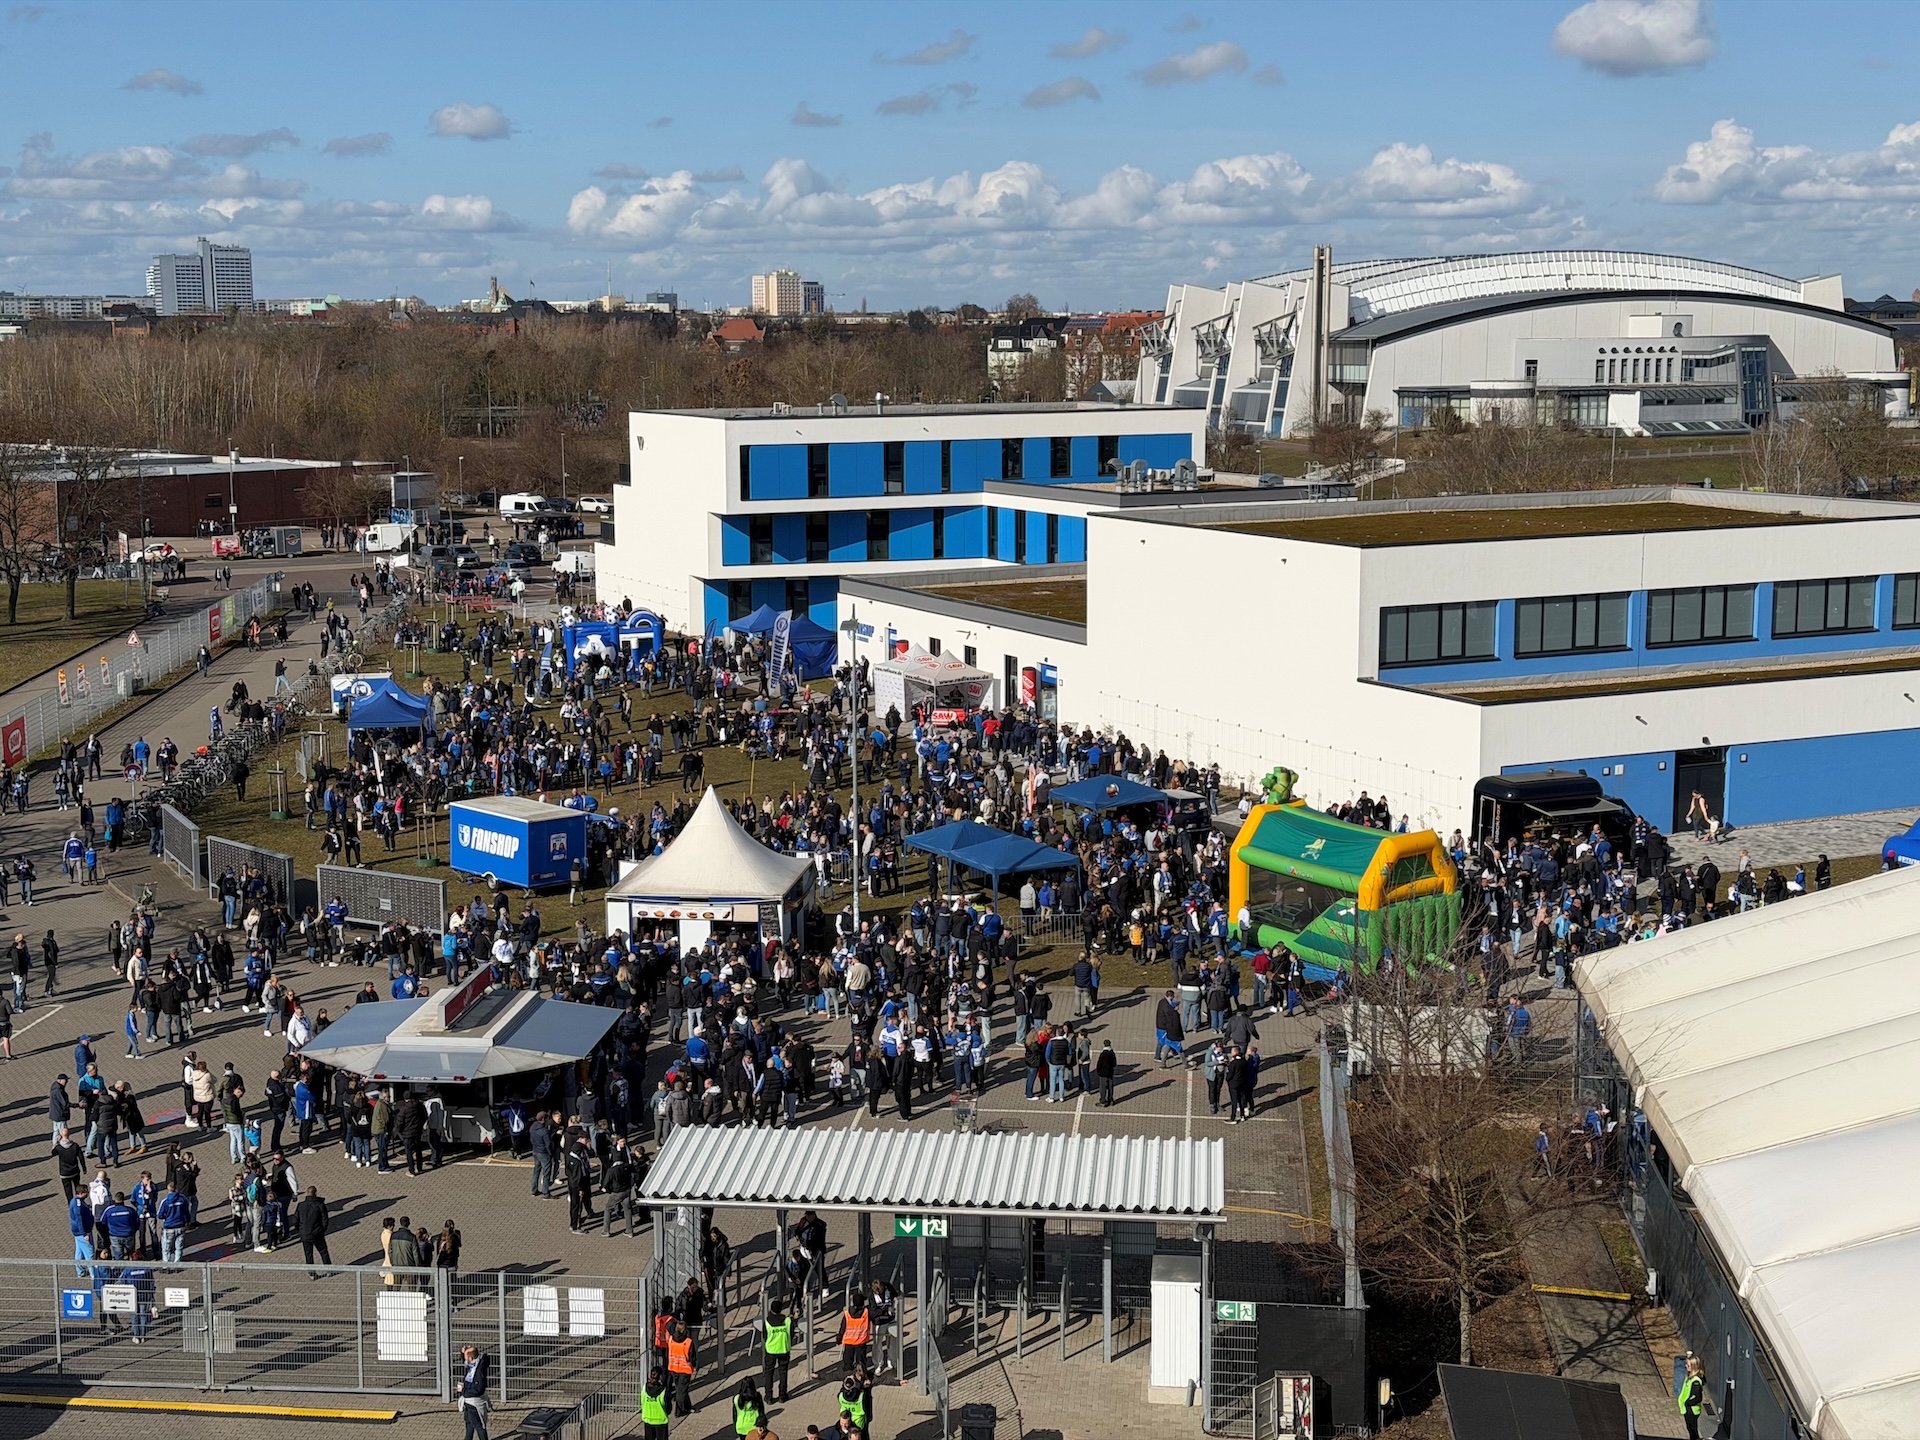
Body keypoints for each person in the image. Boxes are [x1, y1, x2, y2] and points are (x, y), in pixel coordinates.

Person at [457, 1345, 492, 1440]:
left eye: (466, 1357)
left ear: (470, 1358)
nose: (465, 1360)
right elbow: (466, 1362)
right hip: (469, 1402)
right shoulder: (474, 1364)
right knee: (469, 1424)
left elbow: (478, 1389)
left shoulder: (479, 1372)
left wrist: (464, 1392)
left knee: (479, 1425)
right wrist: (463, 1353)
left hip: (473, 1402)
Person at [761, 1299, 793, 1401]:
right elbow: (791, 1334)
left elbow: (764, 1336)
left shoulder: (767, 1322)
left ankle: (769, 1397)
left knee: (769, 1374)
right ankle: (782, 1396)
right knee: (783, 1373)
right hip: (783, 1349)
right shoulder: (787, 1321)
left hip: (770, 1350)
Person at [295, 1186, 331, 1273]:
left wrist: (300, 1230)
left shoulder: (301, 1205)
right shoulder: (320, 1205)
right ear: (315, 1193)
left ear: (307, 1193)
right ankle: (329, 1270)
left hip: (304, 1233)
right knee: (323, 1251)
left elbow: (296, 1220)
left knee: (308, 1254)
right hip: (317, 1233)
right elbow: (325, 1220)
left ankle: (311, 1273)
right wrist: (322, 1230)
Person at [665, 1319, 696, 1417]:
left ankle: (687, 1406)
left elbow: (668, 1353)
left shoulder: (671, 1340)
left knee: (681, 1388)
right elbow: (692, 1356)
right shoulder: (688, 1342)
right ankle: (680, 1410)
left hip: (673, 1368)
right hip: (685, 1369)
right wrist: (693, 1365)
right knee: (681, 1391)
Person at [836, 1292, 871, 1375]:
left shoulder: (847, 1314)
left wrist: (839, 1339)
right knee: (861, 1363)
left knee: (848, 1363)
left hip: (849, 1342)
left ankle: (848, 1376)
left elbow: (842, 1328)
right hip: (861, 1342)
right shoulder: (866, 1313)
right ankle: (861, 1377)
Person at [1678, 1354, 1706, 1440]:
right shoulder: (1690, 1377)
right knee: (1690, 1429)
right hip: (1687, 1408)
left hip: (1692, 1409)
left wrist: (1687, 1403)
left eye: (1688, 1365)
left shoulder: (1696, 1381)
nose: (1686, 1366)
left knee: (1693, 1430)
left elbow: (1698, 1398)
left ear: (1693, 1366)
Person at [639, 1366, 671, 1440]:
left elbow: (642, 1402)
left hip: (648, 1420)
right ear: (660, 1377)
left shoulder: (645, 1388)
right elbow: (668, 1407)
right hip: (661, 1420)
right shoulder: (663, 1391)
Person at [1096, 1040, 1117, 1107]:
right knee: (1110, 1087)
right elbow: (1114, 1063)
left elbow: (1099, 1064)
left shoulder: (1103, 1054)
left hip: (1103, 1073)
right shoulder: (1112, 1053)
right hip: (1110, 1072)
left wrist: (1098, 1071)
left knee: (1103, 1088)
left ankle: (1103, 1101)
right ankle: (1110, 1100)